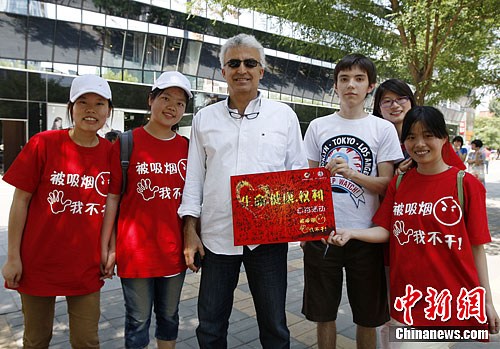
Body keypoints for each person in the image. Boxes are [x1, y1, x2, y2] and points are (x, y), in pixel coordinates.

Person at [178, 33, 308, 349]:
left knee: (275, 327)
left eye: (250, 63)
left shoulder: (285, 116)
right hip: (217, 239)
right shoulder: (204, 119)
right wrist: (189, 231)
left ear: (262, 70)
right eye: (233, 63)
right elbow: (193, 179)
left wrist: (307, 227)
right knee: (209, 328)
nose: (242, 70)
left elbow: (299, 177)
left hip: (268, 239)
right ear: (223, 71)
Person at [331, 106, 500, 346]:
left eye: (428, 135)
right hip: (406, 300)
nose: (419, 143)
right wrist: (352, 232)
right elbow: (387, 230)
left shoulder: (466, 184)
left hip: (447, 301)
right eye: (411, 137)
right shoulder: (400, 182)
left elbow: (477, 248)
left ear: (443, 138)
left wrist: (487, 301)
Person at [1, 74, 113, 348]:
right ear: (70, 107)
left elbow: (114, 207)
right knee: (36, 340)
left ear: (109, 111)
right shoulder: (43, 143)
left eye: (99, 103)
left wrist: (110, 250)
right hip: (37, 263)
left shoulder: (112, 153)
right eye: (83, 102)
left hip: (85, 267)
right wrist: (13, 257)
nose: (91, 109)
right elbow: (20, 202)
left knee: (87, 341)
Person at [302, 54, 404, 348]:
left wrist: (352, 174)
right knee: (324, 314)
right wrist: (305, 230)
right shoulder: (318, 126)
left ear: (370, 86)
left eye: (359, 79)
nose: (351, 85)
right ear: (335, 85)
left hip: (366, 236)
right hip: (323, 234)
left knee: (368, 317)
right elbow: (307, 184)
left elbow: (387, 184)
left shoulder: (381, 129)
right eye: (344, 79)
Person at [100, 71, 192, 349]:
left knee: (169, 316)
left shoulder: (188, 148)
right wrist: (109, 247)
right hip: (135, 253)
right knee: (137, 321)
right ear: (150, 100)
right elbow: (112, 200)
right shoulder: (126, 143)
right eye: (165, 98)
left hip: (174, 252)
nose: (172, 107)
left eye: (180, 103)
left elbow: (195, 199)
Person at [373, 78, 466, 172]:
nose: (395, 105)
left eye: (401, 99)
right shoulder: (372, 141)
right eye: (387, 101)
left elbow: (457, 174)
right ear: (379, 109)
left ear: (411, 101)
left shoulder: (435, 138)